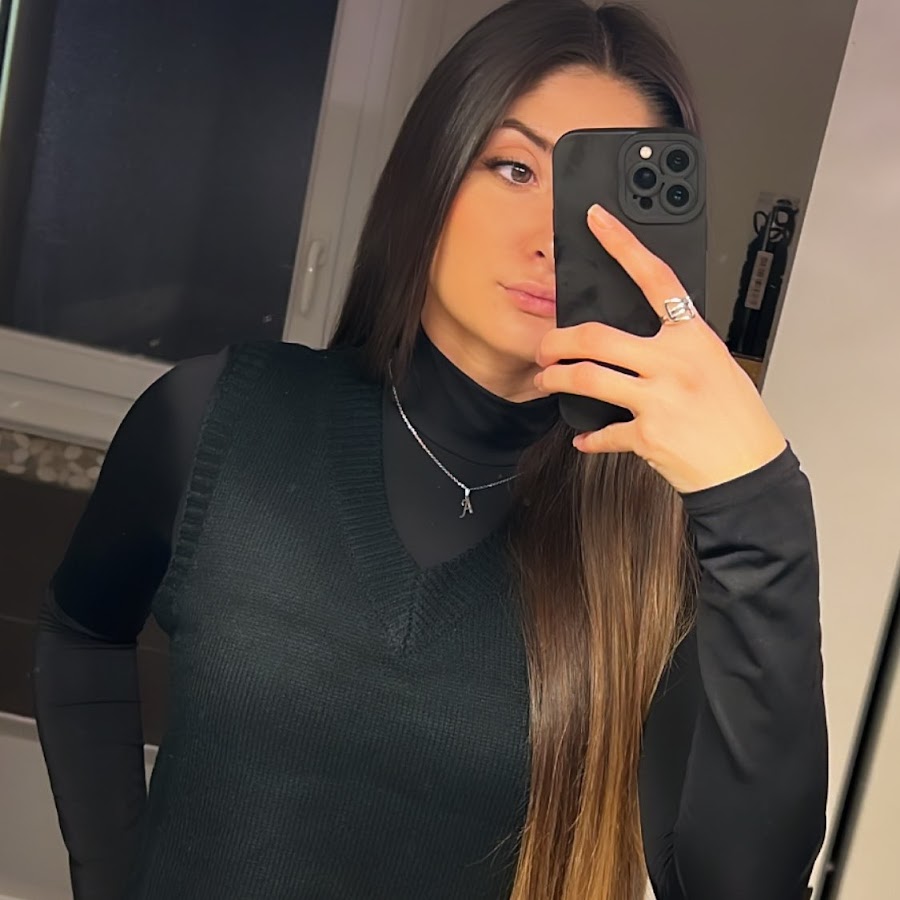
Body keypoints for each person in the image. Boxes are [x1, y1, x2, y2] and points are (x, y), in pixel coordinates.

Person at [32, 1, 828, 898]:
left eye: (595, 198)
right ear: (434, 171)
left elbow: (742, 889)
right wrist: (112, 878)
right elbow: (80, 635)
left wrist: (762, 506)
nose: (550, 236)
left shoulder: (657, 547)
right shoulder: (215, 416)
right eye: (515, 168)